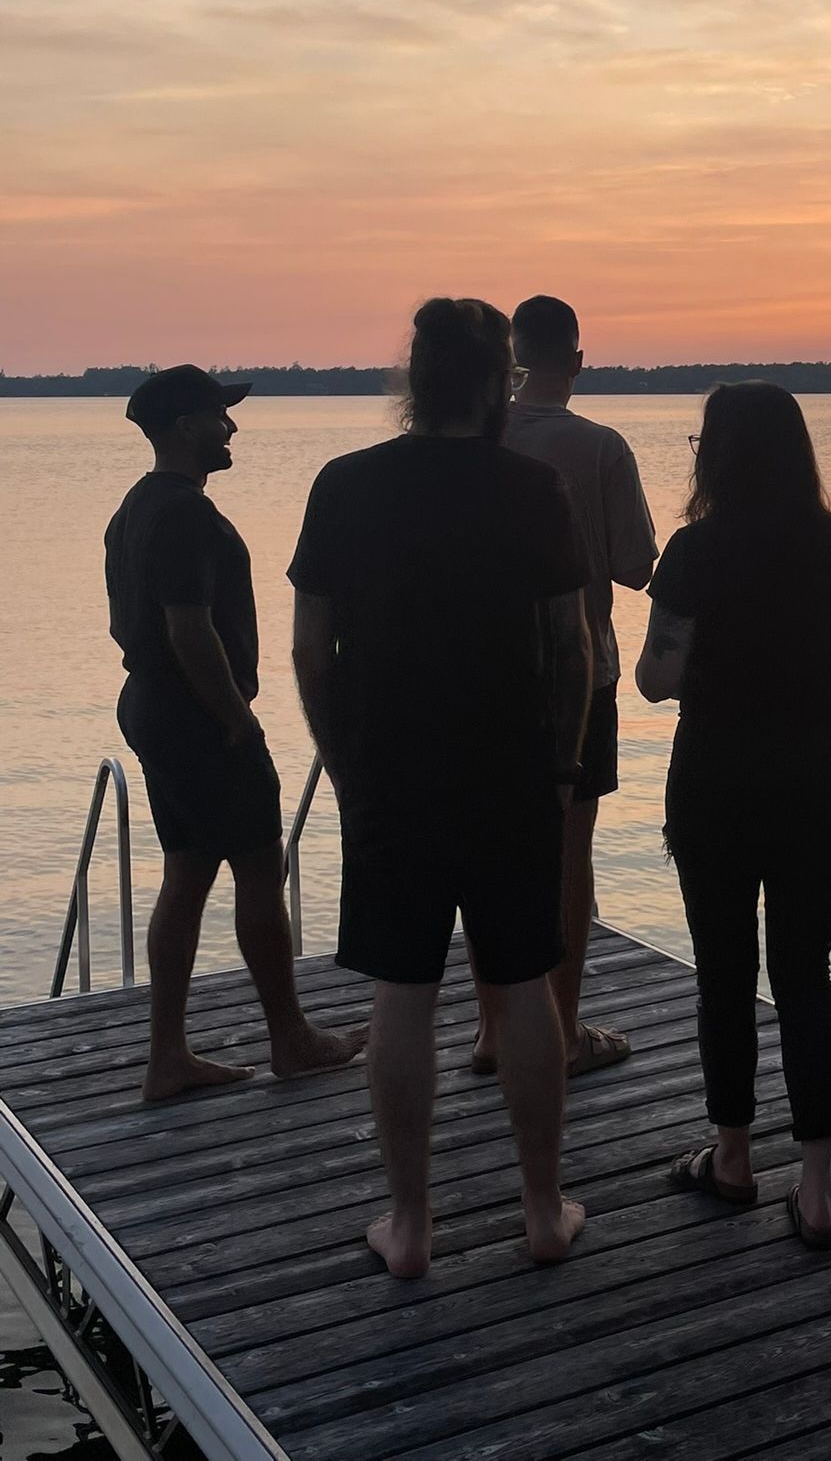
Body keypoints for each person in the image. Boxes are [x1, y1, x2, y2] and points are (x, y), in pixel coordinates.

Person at [289, 298, 591, 1276]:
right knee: (527, 987)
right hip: (510, 771)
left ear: (413, 382)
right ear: (500, 381)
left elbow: (311, 652)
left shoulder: (345, 485)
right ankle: (544, 1212)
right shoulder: (533, 487)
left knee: (403, 994)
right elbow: (570, 650)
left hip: (392, 777)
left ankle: (412, 1226)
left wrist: (344, 766)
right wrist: (561, 765)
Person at [636, 381, 831, 1250]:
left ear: (716, 452)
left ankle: (733, 1157)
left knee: (723, 971)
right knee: (804, 972)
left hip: (715, 778)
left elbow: (658, 679)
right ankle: (816, 1190)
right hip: (820, 780)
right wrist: (825, 743)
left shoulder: (694, 552)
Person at [105, 365, 367, 1102]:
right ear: (186, 425)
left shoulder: (134, 509)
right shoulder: (184, 514)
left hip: (151, 706)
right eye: (220, 414)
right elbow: (188, 628)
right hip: (195, 715)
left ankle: (168, 1055)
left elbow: (136, 624)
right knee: (258, 864)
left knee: (187, 870)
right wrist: (235, 717)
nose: (231, 426)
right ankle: (292, 1038)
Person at [470, 294, 659, 1079]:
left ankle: (489, 1031)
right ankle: (566, 1026)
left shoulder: (475, 440)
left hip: (481, 675)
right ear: (577, 361)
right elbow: (637, 565)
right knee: (567, 854)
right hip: (580, 676)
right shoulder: (600, 447)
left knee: (488, 854)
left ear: (515, 358)